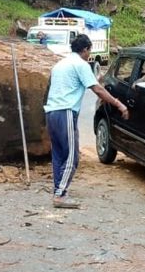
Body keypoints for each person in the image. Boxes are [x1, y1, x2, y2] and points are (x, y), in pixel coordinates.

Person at [44, 34, 128, 209]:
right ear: (85, 50)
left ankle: (59, 190)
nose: (89, 55)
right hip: (65, 111)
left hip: (51, 112)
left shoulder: (60, 64)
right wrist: (119, 104)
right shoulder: (81, 65)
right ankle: (60, 196)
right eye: (89, 51)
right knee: (72, 156)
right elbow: (97, 89)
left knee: (59, 154)